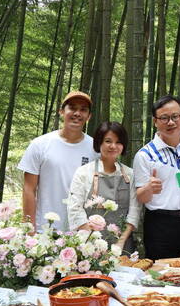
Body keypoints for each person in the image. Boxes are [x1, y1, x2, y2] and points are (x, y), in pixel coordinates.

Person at [133, 95, 180, 260]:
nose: (170, 122)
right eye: (164, 118)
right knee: (161, 274)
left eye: (175, 117)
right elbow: (141, 197)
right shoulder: (145, 155)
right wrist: (148, 189)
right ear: (155, 121)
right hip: (161, 224)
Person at [19, 91, 98, 232]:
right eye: (72, 108)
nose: (77, 113)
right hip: (45, 230)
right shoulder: (40, 144)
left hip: (81, 231)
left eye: (83, 110)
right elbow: (29, 189)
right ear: (61, 111)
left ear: (89, 116)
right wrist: (29, 229)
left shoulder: (95, 149)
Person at [66, 122, 141, 253]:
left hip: (122, 245)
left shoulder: (130, 174)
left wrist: (120, 243)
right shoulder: (83, 172)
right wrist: (96, 242)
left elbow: (134, 211)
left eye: (118, 142)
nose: (113, 146)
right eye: (108, 141)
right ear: (99, 143)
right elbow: (74, 209)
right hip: (88, 244)